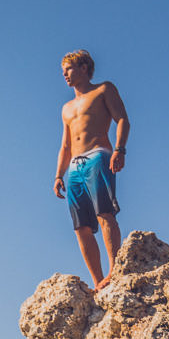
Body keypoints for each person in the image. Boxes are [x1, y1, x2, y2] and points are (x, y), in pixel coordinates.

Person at [53, 50, 130, 291]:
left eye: (69, 69)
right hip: (75, 165)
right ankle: (98, 281)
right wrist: (58, 175)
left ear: (84, 67)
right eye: (63, 71)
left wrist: (120, 149)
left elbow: (123, 119)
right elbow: (65, 145)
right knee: (81, 227)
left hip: (98, 155)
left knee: (104, 213)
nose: (65, 74)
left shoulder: (104, 90)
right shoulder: (66, 108)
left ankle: (115, 269)